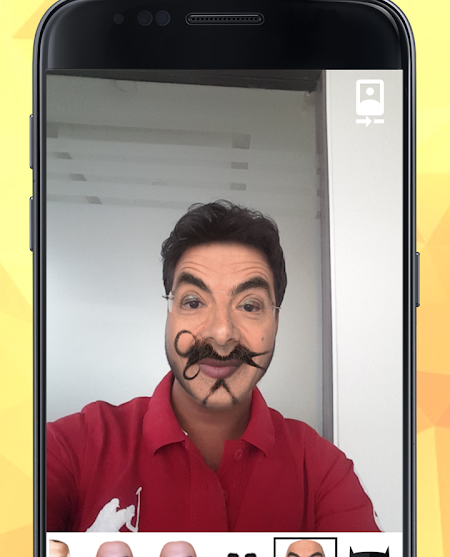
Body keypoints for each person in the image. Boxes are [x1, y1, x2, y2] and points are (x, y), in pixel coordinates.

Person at [47, 200, 379, 532]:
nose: (221, 334)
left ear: (275, 322)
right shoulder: (75, 447)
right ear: (169, 314)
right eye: (193, 302)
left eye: (249, 306)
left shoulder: (321, 471)